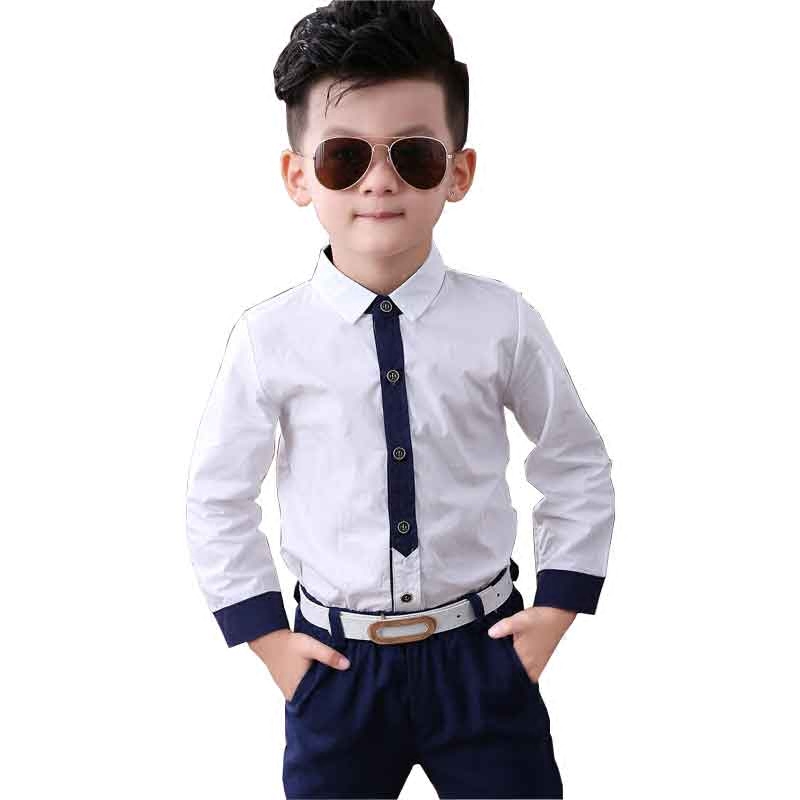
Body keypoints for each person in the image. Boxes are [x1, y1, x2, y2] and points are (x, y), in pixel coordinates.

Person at [185, 2, 615, 797]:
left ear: (458, 171)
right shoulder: (268, 338)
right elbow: (217, 495)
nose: (379, 180)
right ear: (298, 175)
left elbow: (574, 460)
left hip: (484, 658)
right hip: (335, 672)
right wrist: (271, 644)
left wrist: (556, 611)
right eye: (344, 156)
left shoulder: (503, 322)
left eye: (413, 155)